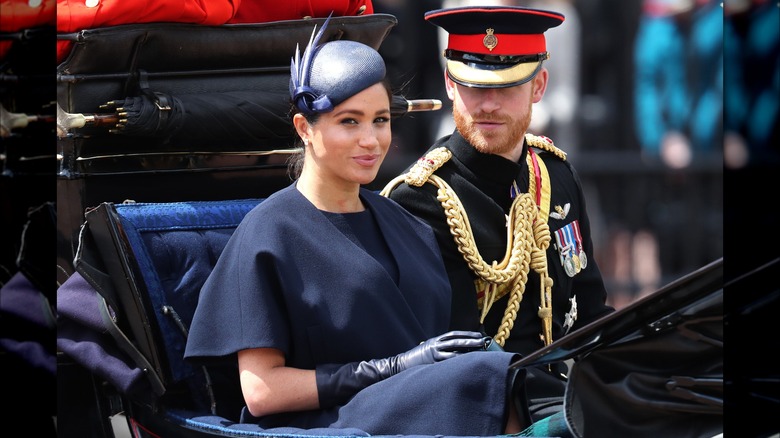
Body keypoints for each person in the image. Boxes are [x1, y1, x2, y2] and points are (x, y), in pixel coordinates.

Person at [184, 17, 533, 436]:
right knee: (486, 378)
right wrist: (391, 368)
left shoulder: (406, 224)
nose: (371, 140)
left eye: (380, 120)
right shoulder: (269, 232)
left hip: (424, 404)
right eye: (350, 121)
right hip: (331, 423)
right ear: (304, 128)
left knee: (524, 379)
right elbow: (261, 391)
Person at [382, 5, 614, 421]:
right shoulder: (420, 199)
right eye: (473, 85)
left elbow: (592, 314)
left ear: (539, 86)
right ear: (450, 83)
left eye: (507, 87)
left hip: (558, 397)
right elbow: (459, 361)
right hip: (482, 413)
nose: (488, 105)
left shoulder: (556, 176)